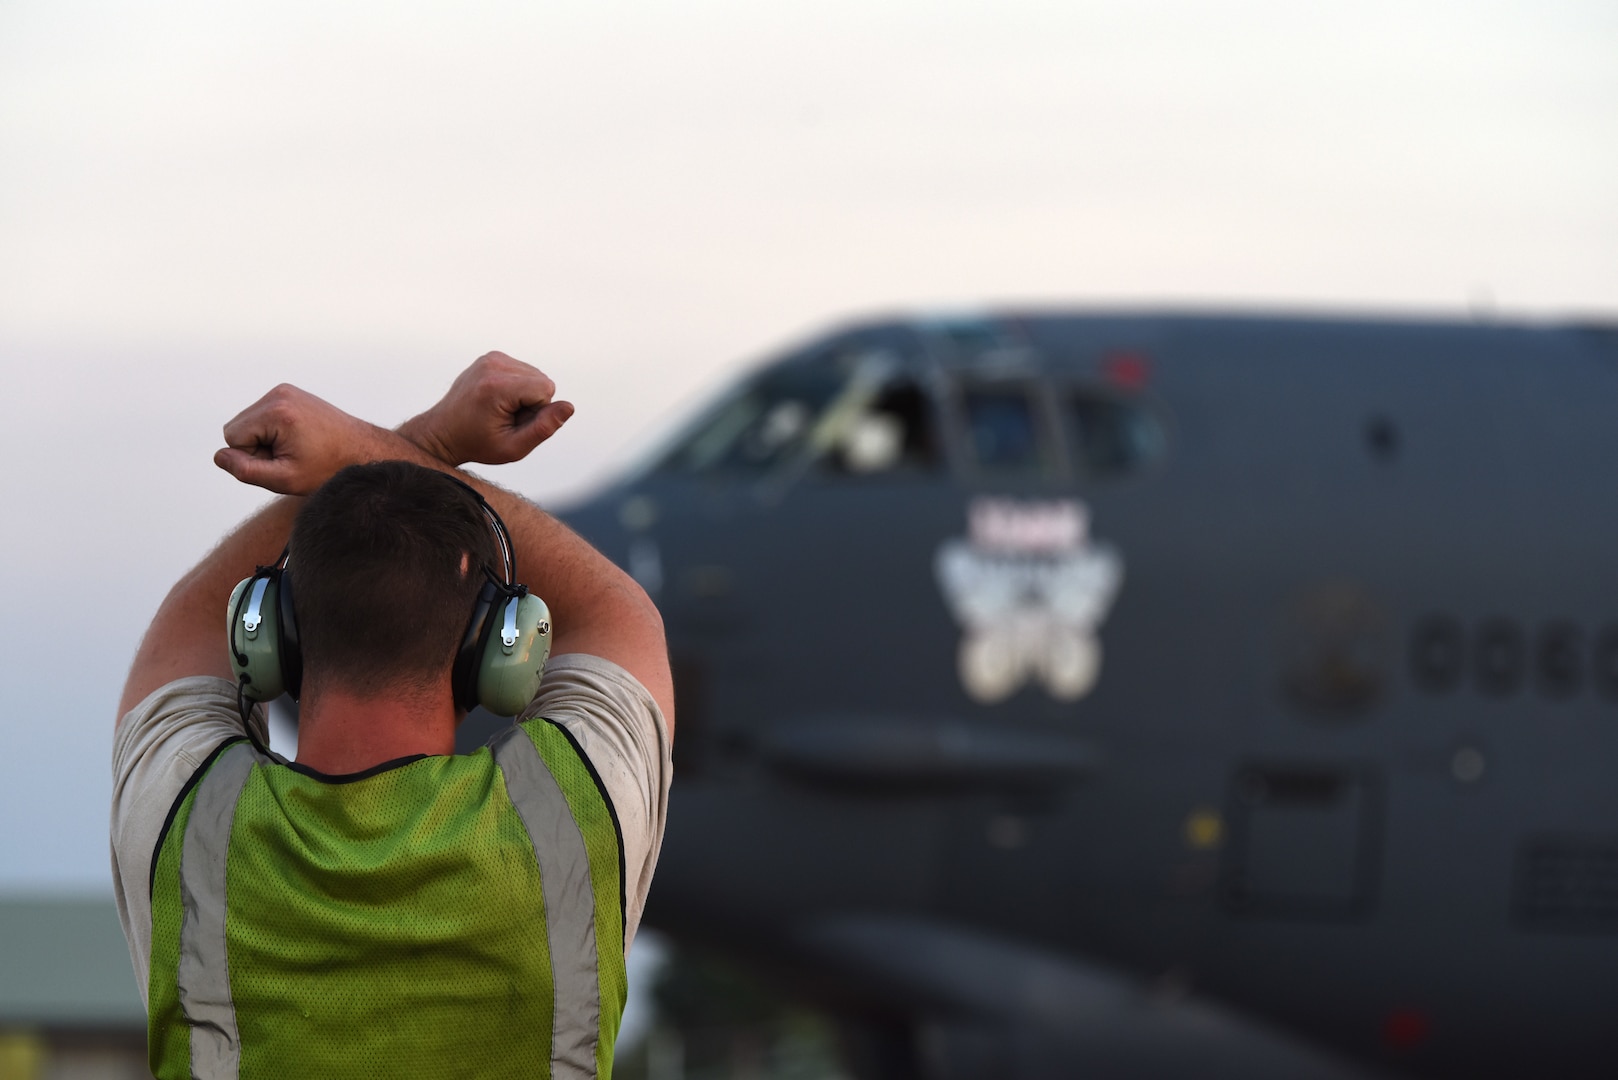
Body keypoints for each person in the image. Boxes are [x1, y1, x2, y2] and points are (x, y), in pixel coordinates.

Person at [109, 353, 673, 1080]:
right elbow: (617, 615)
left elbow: (183, 636)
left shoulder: (186, 823)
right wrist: (383, 451)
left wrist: (401, 450)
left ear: (271, 633)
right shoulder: (572, 812)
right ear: (494, 652)